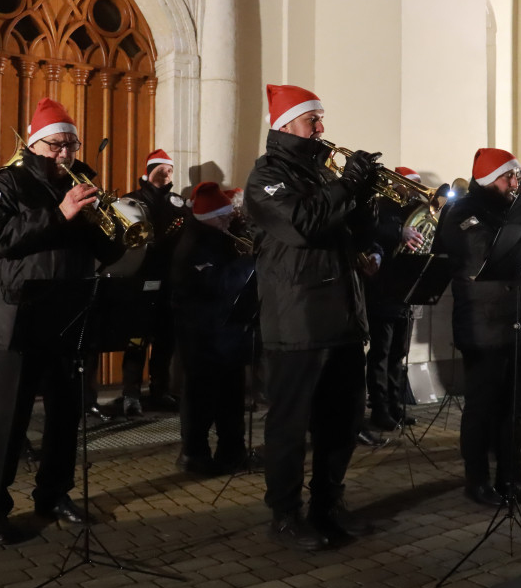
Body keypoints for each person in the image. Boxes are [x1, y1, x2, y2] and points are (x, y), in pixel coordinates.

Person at [0, 98, 126, 543]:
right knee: (9, 417)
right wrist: (60, 214)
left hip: (69, 314)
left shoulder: (80, 184)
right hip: (19, 314)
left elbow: (109, 252)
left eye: (72, 145)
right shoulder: (6, 182)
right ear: (35, 144)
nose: (66, 154)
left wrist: (112, 226)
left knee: (65, 413)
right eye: (57, 145)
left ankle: (54, 493)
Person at [245, 83, 380, 550]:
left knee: (340, 421)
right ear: (285, 127)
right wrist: (348, 185)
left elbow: (350, 229)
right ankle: (285, 515)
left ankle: (328, 503)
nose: (322, 129)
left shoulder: (323, 174)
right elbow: (302, 224)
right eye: (312, 120)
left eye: (321, 119)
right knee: (289, 424)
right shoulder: (266, 177)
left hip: (340, 313)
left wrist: (366, 197)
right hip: (296, 319)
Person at [438, 148, 521, 507]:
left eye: (518, 177)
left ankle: (513, 476)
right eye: (509, 177)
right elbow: (483, 253)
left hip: (520, 325)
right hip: (485, 328)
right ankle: (477, 482)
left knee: (515, 409)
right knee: (482, 409)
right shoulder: (464, 211)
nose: (516, 184)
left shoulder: (510, 209)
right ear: (489, 179)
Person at [170, 182, 255, 476]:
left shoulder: (216, 236)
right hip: (201, 333)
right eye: (223, 217)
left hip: (224, 331)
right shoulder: (194, 242)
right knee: (200, 397)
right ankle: (194, 453)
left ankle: (232, 450)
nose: (228, 221)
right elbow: (218, 283)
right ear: (208, 217)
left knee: (231, 395)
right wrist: (249, 264)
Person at [119, 149, 189, 416]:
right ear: (148, 173)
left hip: (169, 280)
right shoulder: (131, 200)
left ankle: (160, 391)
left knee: (165, 339)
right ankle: (131, 394)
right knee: (137, 339)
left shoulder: (178, 203)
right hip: (140, 280)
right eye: (161, 170)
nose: (166, 174)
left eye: (170, 170)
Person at [364, 166, 424, 431]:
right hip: (382, 290)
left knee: (398, 353)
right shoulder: (381, 204)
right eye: (412, 185)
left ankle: (396, 407)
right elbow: (371, 232)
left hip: (404, 290)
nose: (416, 190)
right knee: (381, 353)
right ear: (398, 184)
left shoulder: (413, 209)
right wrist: (400, 233)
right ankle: (379, 409)